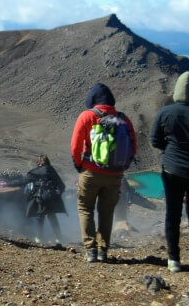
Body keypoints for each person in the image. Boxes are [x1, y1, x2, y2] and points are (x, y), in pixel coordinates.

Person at [71, 83, 137, 262]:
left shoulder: (87, 116)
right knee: (106, 211)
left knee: (85, 207)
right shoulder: (123, 118)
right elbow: (133, 147)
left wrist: (79, 166)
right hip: (115, 174)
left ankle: (90, 250)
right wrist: (122, 168)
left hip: (90, 172)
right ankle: (103, 250)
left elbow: (76, 145)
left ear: (92, 100)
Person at [150, 71, 189, 273]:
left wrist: (169, 150)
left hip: (172, 169)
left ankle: (173, 259)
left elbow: (155, 140)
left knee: (172, 214)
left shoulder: (166, 112)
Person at [3, 155, 66, 243]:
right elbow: (62, 185)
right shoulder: (52, 170)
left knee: (40, 218)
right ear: (48, 162)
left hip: (40, 198)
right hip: (51, 198)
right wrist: (58, 192)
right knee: (52, 217)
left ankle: (39, 238)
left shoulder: (35, 172)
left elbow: (22, 181)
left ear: (38, 163)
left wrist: (7, 184)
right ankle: (58, 238)